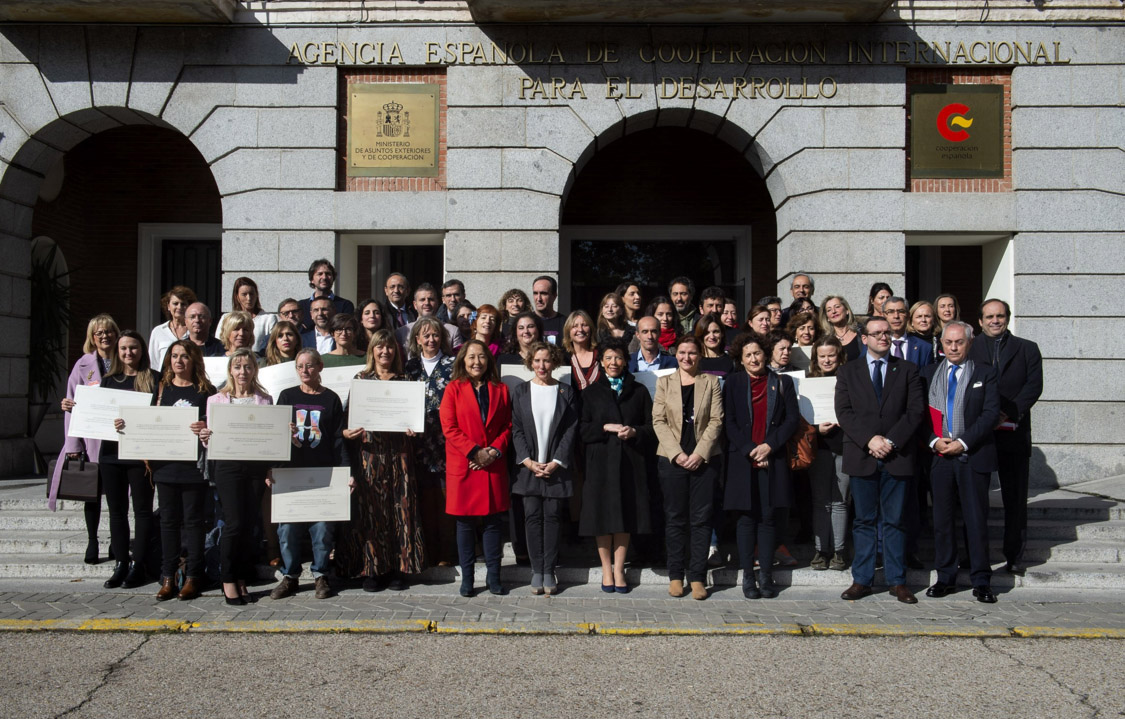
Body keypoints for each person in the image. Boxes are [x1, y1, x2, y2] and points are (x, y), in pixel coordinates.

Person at [834, 316, 925, 604]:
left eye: (887, 333)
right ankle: (862, 579)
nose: (883, 338)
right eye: (876, 334)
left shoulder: (908, 370)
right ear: (864, 339)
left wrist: (890, 441)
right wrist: (869, 440)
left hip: (897, 456)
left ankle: (897, 581)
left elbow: (915, 412)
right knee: (863, 520)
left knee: (895, 521)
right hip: (863, 456)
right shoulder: (848, 372)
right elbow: (844, 412)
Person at [340, 329, 426, 591]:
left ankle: (397, 569)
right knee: (372, 512)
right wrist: (347, 431)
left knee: (400, 510)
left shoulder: (407, 379)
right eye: (380, 347)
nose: (385, 351)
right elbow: (347, 420)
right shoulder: (361, 379)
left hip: (399, 455)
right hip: (371, 456)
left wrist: (414, 430)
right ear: (372, 351)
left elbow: (416, 421)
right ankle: (372, 569)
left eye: (389, 347)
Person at [921, 321, 1001, 603]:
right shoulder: (929, 373)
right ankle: (945, 577)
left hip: (972, 455)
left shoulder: (985, 373)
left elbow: (990, 414)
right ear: (941, 344)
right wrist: (934, 440)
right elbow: (919, 414)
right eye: (948, 342)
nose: (953, 347)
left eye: (959, 342)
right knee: (942, 520)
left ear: (970, 343)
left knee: (975, 520)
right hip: (940, 457)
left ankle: (981, 580)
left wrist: (963, 442)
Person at [132, 340, 214, 601]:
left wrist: (205, 427)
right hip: (165, 466)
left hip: (193, 468)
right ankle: (168, 577)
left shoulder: (206, 391)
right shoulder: (160, 389)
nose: (179, 361)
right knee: (167, 523)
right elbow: (146, 423)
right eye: (174, 356)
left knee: (193, 523)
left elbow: (215, 426)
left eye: (185, 356)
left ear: (194, 361)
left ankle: (192, 577)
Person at [969, 298, 1043, 576]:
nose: (994, 321)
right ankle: (977, 557)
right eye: (989, 316)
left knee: (1015, 499)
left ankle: (1014, 556)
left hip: (1014, 434)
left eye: (1000, 316)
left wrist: (1007, 413)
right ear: (980, 321)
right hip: (979, 435)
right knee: (976, 500)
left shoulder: (1027, 349)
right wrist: (988, 416)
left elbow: (1033, 386)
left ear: (1008, 318)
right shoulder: (970, 347)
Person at [270, 348, 351, 600]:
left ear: (320, 367)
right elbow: (274, 435)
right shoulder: (286, 396)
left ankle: (320, 575)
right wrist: (272, 466)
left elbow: (338, 439)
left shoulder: (331, 399)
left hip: (323, 473)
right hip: (290, 473)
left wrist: (346, 472)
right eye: (300, 366)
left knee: (322, 529)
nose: (305, 371)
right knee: (287, 530)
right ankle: (290, 576)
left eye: (310, 365)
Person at [723, 332, 799, 599]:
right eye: (747, 355)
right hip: (743, 460)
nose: (753, 358)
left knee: (767, 519)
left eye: (757, 353)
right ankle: (748, 577)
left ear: (765, 354)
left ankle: (766, 576)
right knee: (746, 519)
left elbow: (792, 420)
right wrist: (749, 450)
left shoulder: (782, 382)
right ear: (740, 360)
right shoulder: (732, 383)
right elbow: (728, 421)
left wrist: (769, 446)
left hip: (772, 458)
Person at [579, 338, 654, 593]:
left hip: (630, 462)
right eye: (609, 358)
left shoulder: (639, 390)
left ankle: (620, 569)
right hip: (600, 464)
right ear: (601, 362)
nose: (614, 362)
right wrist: (604, 427)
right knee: (601, 516)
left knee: (625, 515)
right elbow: (581, 429)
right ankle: (606, 569)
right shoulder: (590, 392)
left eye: (619, 357)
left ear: (626, 361)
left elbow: (651, 427)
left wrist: (634, 432)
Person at [199, 348, 273, 605]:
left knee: (250, 523)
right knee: (233, 524)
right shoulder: (216, 400)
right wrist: (205, 437)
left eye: (248, 367)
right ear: (230, 370)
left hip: (255, 467)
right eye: (238, 367)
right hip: (228, 467)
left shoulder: (265, 399)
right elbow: (211, 439)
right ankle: (227, 579)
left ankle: (242, 578)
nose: (243, 372)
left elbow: (269, 436)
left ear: (255, 370)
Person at [652, 335, 723, 600]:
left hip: (704, 460)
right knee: (675, 518)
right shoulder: (664, 382)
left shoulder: (712, 382)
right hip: (672, 460)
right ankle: (675, 576)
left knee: (702, 519)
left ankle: (697, 577)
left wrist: (699, 453)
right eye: (682, 352)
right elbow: (658, 421)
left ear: (700, 355)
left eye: (692, 353)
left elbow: (716, 421)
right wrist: (678, 454)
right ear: (676, 354)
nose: (686, 357)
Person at [440, 340, 513, 597]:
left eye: (481, 357)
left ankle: (494, 578)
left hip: (492, 465)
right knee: (465, 525)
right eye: (471, 357)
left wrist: (492, 451)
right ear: (463, 360)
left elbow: (508, 426)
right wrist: (475, 452)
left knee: (494, 524)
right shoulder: (453, 389)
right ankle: (468, 579)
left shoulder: (501, 389)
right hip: (466, 465)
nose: (476, 362)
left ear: (489, 360)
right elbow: (449, 428)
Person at [510, 342, 578, 595]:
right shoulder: (520, 391)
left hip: (555, 469)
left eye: (547, 361)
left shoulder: (565, 392)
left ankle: (549, 570)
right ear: (530, 363)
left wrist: (556, 462)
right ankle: (536, 570)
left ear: (554, 363)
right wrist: (526, 460)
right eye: (537, 361)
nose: (542, 366)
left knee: (551, 518)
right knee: (531, 517)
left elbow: (571, 429)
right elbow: (516, 428)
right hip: (528, 468)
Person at [54, 315, 120, 564]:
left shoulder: (125, 361)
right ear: (92, 338)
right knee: (91, 495)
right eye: (99, 333)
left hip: (117, 440)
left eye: (109, 332)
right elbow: (70, 405)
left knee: (117, 497)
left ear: (116, 334)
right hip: (91, 441)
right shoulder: (82, 365)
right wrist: (73, 445)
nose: (104, 336)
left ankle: (117, 542)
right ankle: (93, 541)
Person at [98, 330, 159, 589]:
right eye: (123, 349)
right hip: (111, 454)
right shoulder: (108, 381)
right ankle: (121, 562)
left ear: (142, 350)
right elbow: (97, 416)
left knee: (143, 511)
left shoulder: (154, 379)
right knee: (117, 512)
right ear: (117, 352)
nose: (128, 353)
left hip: (140, 455)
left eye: (133, 348)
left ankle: (140, 564)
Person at [404, 317, 457, 567]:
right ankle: (427, 551)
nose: (431, 340)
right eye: (426, 335)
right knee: (424, 499)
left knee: (446, 499)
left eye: (435, 335)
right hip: (418, 445)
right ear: (417, 340)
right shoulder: (409, 367)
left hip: (447, 443)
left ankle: (446, 552)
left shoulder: (453, 365)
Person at [806, 337, 849, 571]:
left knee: (841, 501)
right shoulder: (809, 381)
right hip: (819, 448)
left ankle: (840, 551)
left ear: (839, 355)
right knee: (821, 502)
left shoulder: (849, 378)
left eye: (831, 355)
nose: (826, 360)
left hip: (845, 446)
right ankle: (821, 550)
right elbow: (802, 418)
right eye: (822, 356)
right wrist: (816, 429)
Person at [395, 283, 462, 356]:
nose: (427, 303)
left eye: (431, 299)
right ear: (415, 305)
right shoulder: (401, 333)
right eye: (422, 300)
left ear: (437, 303)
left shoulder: (453, 331)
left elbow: (458, 361)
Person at [215, 277, 277, 354]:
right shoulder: (226, 318)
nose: (249, 298)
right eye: (244, 294)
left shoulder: (268, 318)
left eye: (251, 294)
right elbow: (219, 342)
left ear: (256, 295)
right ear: (237, 296)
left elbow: (272, 344)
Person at [297, 259, 354, 331]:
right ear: (312, 279)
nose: (324, 277)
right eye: (320, 274)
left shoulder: (345, 305)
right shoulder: (301, 306)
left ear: (333, 278)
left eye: (328, 274)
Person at [877, 297, 933, 369]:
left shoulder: (924, 348)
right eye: (890, 312)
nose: (896, 316)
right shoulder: (873, 345)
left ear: (908, 315)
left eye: (901, 311)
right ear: (883, 315)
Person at [148, 285, 197, 367]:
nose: (179, 307)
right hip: (164, 378)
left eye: (183, 304)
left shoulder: (194, 330)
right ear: (168, 306)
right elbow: (153, 362)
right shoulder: (158, 331)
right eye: (175, 303)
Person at [563, 310, 600, 391]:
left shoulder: (601, 355)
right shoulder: (563, 358)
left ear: (590, 329)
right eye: (575, 326)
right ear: (568, 331)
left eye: (584, 325)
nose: (580, 329)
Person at [818, 295, 862, 362]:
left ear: (847, 310)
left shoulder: (861, 332)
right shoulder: (825, 339)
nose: (833, 311)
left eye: (837, 307)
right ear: (827, 317)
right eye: (829, 310)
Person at [695, 312, 734, 377]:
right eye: (707, 333)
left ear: (722, 334)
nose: (712, 336)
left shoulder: (732, 362)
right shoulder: (695, 361)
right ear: (701, 335)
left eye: (716, 332)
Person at [532, 276, 565, 344]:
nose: (539, 299)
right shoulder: (524, 323)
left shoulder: (565, 323)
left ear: (554, 296)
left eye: (543, 293)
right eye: (535, 293)